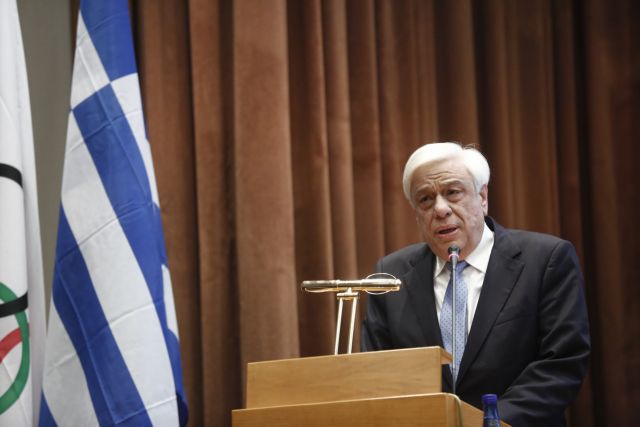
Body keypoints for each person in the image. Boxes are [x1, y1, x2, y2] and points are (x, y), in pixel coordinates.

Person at [361, 142, 590, 426]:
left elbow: (561, 362)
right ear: (416, 212)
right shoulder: (391, 274)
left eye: (452, 193)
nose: (440, 209)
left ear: (482, 197)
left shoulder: (545, 260)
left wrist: (488, 422)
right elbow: (378, 374)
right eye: (425, 199)